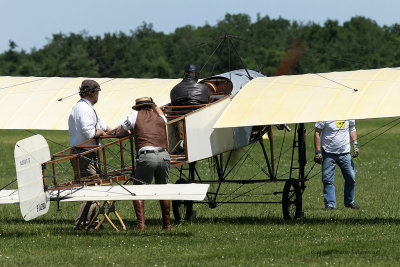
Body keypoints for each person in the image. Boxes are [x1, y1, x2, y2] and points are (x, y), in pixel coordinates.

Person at [115, 97, 171, 231]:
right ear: (150, 105)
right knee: (163, 190)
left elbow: (119, 133)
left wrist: (131, 131)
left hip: (147, 156)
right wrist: (155, 105)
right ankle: (167, 225)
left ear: (137, 107)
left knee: (138, 190)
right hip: (164, 155)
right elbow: (161, 114)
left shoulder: (134, 115)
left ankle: (141, 226)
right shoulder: (160, 116)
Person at [68, 79, 111, 230]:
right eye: (97, 92)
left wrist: (112, 130)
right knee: (92, 188)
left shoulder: (86, 107)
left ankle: (92, 222)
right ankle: (81, 223)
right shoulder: (83, 109)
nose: (98, 95)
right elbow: (89, 133)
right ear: (92, 93)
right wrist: (100, 132)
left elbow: (100, 124)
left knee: (95, 186)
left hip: (87, 153)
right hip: (84, 153)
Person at [314, 120, 360, 210]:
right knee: (327, 179)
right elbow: (317, 133)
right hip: (328, 153)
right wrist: (318, 152)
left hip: (345, 153)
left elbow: (352, 128)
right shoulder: (325, 114)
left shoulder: (349, 113)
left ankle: (349, 201)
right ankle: (330, 204)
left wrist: (355, 144)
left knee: (351, 177)